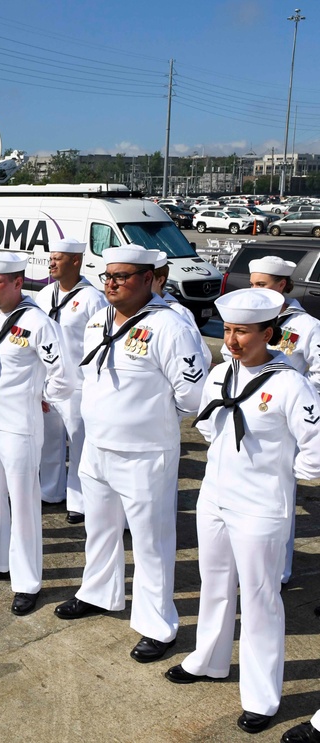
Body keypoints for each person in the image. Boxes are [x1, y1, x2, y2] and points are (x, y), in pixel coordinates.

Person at [165, 288, 320, 736]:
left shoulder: (290, 382)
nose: (231, 340)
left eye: (242, 332)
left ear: (268, 333)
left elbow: (313, 450)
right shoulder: (219, 373)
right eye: (228, 330)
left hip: (261, 506)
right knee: (213, 583)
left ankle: (261, 696)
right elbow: (213, 431)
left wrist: (277, 475)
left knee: (259, 600)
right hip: (215, 496)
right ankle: (208, 659)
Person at [54, 245, 208, 664]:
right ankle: (99, 593)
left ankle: (158, 625)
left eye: (122, 276)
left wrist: (150, 419)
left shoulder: (170, 326)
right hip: (98, 446)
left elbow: (192, 396)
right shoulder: (98, 319)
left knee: (151, 541)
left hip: (144, 453)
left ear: (148, 279)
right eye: (107, 276)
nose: (112, 283)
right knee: (99, 529)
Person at [0, 253, 71, 617]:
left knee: (23, 504)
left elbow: (63, 374)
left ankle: (27, 582)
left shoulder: (37, 322)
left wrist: (41, 396)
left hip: (20, 425)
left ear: (18, 283)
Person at [245, 255, 320, 585]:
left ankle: (278, 569)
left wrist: (299, 398)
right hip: (251, 418)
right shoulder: (251, 320)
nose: (256, 291)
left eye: (262, 285)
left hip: (285, 422)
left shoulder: (306, 326)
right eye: (252, 284)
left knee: (279, 498)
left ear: (283, 285)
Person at [35, 238, 108, 522]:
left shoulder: (93, 298)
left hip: (78, 383)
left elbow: (101, 343)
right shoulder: (45, 294)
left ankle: (78, 501)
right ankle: (50, 490)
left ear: (75, 261)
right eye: (51, 258)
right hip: (50, 381)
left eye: (58, 258)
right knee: (50, 439)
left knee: (79, 443)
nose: (51, 263)